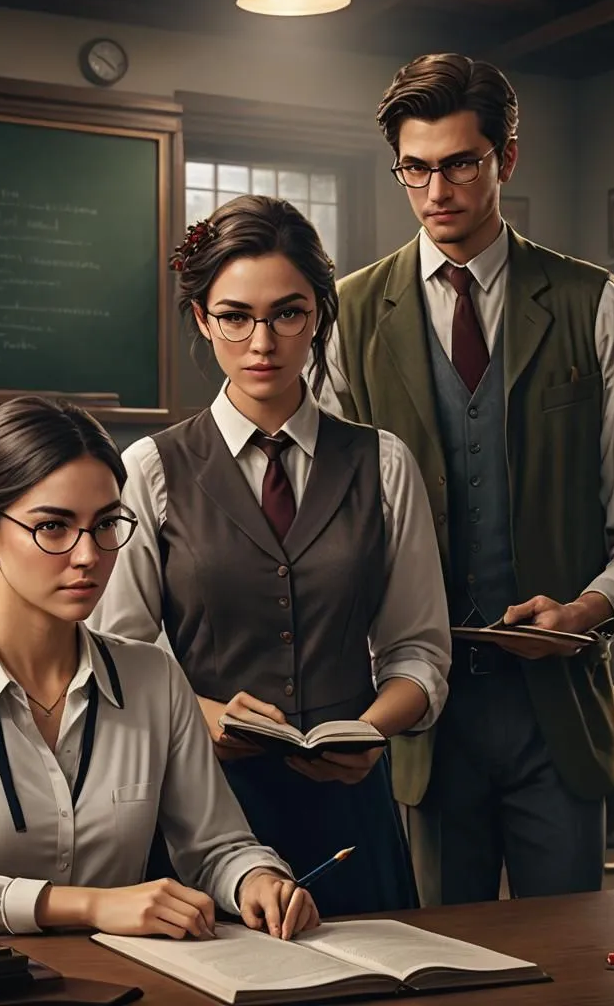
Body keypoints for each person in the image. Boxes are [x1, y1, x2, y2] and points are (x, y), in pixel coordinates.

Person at [323, 52, 614, 905]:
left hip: (557, 713)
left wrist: (586, 611)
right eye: (416, 169)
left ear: (505, 159)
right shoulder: (350, 312)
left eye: (460, 164)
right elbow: (333, 528)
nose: (437, 190)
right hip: (419, 724)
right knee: (443, 964)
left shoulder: (589, 302)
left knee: (578, 967)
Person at [0, 395, 318, 945]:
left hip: (129, 985)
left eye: (106, 524)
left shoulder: (153, 678)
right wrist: (87, 905)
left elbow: (217, 847)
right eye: (53, 527)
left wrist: (255, 879)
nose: (89, 555)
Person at [92, 195, 451, 918]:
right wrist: (201, 716)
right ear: (203, 319)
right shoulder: (150, 468)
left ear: (319, 314)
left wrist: (374, 728)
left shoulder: (383, 463)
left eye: (287, 314)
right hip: (203, 811)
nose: (262, 342)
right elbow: (112, 657)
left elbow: (419, 650)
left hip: (353, 809)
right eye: (235, 317)